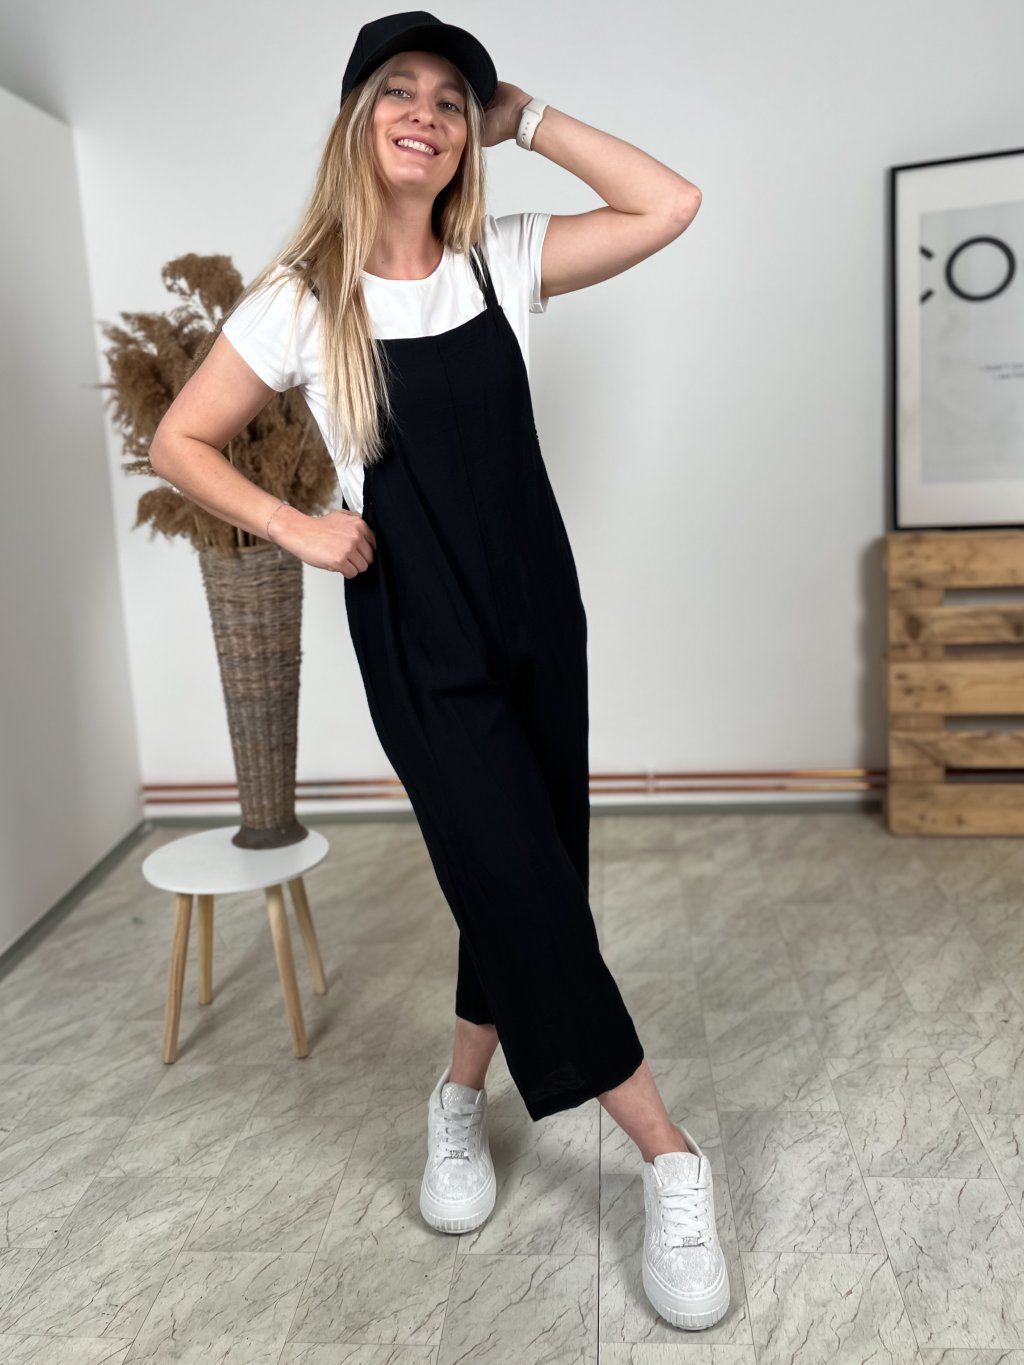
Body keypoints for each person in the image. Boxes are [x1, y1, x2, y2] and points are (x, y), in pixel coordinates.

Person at [148, 9, 727, 1333]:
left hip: (539, 611)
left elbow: (671, 203)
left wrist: (531, 116)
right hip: (420, 628)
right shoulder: (304, 298)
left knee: (526, 867)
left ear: (471, 132)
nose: (425, 112)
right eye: (399, 90)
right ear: (358, 120)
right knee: (521, 878)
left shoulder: (498, 260)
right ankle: (672, 1158)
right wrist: (297, 526)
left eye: (451, 99)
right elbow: (184, 439)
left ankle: (458, 1099)